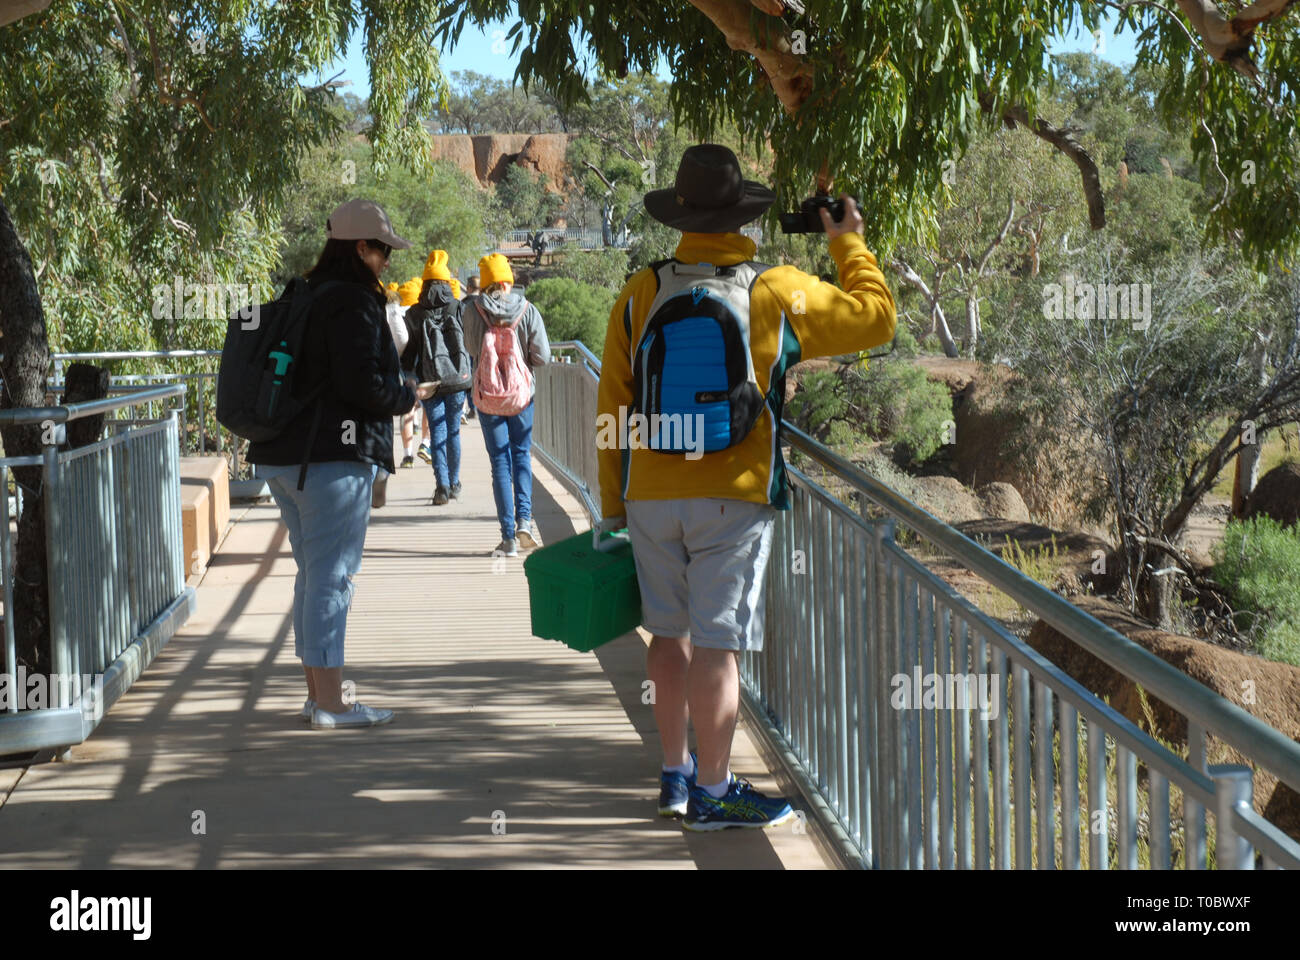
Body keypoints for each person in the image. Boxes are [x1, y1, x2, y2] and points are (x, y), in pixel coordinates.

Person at [596, 144, 897, 829]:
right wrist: (848, 241)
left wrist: (615, 502)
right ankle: (714, 788)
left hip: (649, 492)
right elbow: (876, 316)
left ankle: (675, 775)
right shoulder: (773, 288)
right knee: (717, 645)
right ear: (744, 216)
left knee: (666, 638)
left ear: (680, 214)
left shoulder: (641, 290)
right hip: (734, 493)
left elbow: (612, 405)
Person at [247, 198, 433, 729]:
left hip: (285, 457)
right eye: (381, 251)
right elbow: (363, 385)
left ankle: (316, 696)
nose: (387, 262)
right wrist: (405, 395)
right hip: (328, 460)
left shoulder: (306, 294)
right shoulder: (352, 302)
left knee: (313, 575)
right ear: (360, 249)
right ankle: (331, 703)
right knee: (333, 578)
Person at [461, 253, 550, 557]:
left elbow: (472, 349)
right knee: (521, 455)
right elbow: (543, 356)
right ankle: (524, 521)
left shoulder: (473, 311)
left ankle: (507, 537)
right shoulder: (528, 310)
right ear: (508, 281)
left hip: (488, 398)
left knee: (500, 462)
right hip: (521, 397)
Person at [403, 250, 468, 505]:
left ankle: (440, 485)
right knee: (453, 432)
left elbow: (408, 352)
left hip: (428, 381)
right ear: (445, 280)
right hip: (457, 380)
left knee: (437, 431)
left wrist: (408, 376)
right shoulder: (457, 306)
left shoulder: (415, 313)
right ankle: (454, 483)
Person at [390, 278, 422, 469]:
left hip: (399, 368)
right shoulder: (417, 315)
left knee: (406, 411)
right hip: (416, 369)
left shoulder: (396, 314)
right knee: (421, 409)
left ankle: (408, 453)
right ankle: (426, 443)